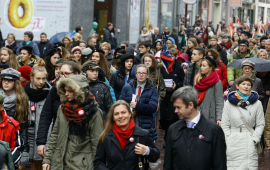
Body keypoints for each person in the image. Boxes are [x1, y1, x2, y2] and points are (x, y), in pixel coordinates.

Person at [42, 75, 103, 170]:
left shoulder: (94, 112)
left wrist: (97, 166)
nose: (66, 94)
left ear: (79, 92)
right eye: (65, 91)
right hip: (59, 162)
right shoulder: (63, 109)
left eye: (70, 91)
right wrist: (47, 159)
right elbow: (55, 135)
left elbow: (96, 143)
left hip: (82, 165)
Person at [164, 86, 226, 170]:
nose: (175, 111)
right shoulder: (173, 129)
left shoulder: (214, 130)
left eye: (179, 107)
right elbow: (168, 163)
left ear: (190, 105)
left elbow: (220, 164)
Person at [94, 100, 160, 170]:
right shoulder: (105, 137)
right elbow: (98, 162)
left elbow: (155, 156)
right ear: (113, 117)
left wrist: (147, 151)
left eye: (123, 112)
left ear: (130, 114)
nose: (120, 116)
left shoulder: (142, 134)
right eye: (116, 114)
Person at [36, 61, 81, 159]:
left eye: (67, 74)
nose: (63, 77)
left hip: (79, 141)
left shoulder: (84, 90)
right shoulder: (55, 89)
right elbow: (46, 115)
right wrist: (41, 142)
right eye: (61, 73)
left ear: (76, 73)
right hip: (58, 138)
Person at [221, 76, 265, 169]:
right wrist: (228, 139)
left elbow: (260, 124)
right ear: (237, 86)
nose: (246, 86)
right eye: (243, 84)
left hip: (250, 140)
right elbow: (225, 124)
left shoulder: (257, 103)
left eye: (249, 85)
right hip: (233, 141)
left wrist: (255, 138)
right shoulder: (229, 103)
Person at [23, 65, 51, 170]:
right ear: (31, 78)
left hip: (44, 133)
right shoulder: (24, 93)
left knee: (40, 161)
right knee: (23, 163)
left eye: (43, 78)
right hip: (27, 134)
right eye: (38, 78)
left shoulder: (50, 93)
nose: (41, 81)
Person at [0, 68, 30, 167]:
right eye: (4, 80)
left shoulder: (21, 99)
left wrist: (25, 150)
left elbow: (24, 125)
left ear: (16, 82)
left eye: (10, 80)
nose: (6, 83)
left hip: (14, 138)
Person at [120, 64, 158, 140]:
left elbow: (153, 107)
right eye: (139, 73)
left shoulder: (153, 89)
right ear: (136, 74)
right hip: (129, 124)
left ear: (147, 75)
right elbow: (121, 104)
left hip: (146, 124)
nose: (141, 75)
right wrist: (129, 110)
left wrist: (138, 106)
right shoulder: (127, 87)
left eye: (143, 73)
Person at [194, 56, 224, 124]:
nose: (201, 67)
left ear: (210, 68)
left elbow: (219, 101)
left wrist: (219, 118)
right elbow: (193, 98)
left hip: (210, 116)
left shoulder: (217, 82)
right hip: (197, 115)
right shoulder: (197, 80)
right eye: (201, 65)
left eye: (204, 66)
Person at [0, 93, 22, 165]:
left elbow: (18, 147)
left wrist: (7, 161)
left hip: (4, 165)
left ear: (2, 107)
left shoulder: (12, 125)